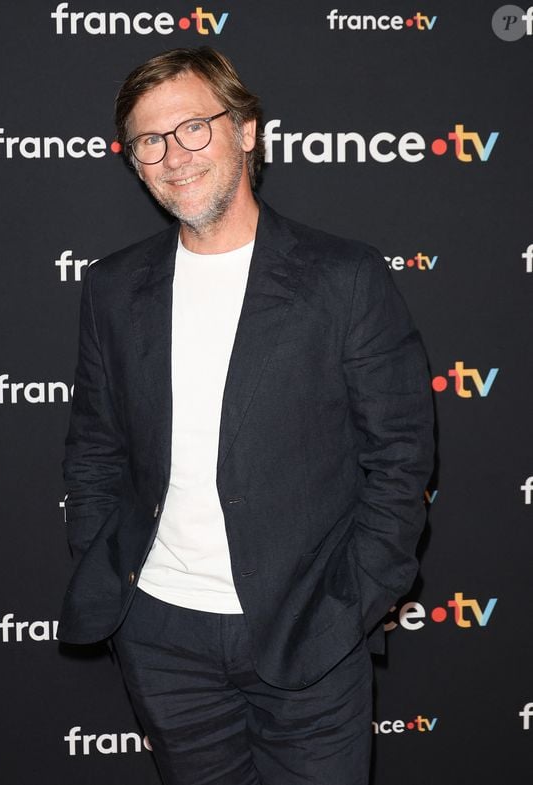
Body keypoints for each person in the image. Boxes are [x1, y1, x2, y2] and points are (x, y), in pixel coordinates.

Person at [58, 46, 434, 785]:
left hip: (308, 630)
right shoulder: (111, 288)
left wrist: (350, 605)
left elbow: (400, 458)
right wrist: (115, 587)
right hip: (161, 634)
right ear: (134, 162)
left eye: (195, 127)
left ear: (247, 131)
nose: (174, 154)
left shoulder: (344, 278)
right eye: (149, 140)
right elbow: (95, 449)